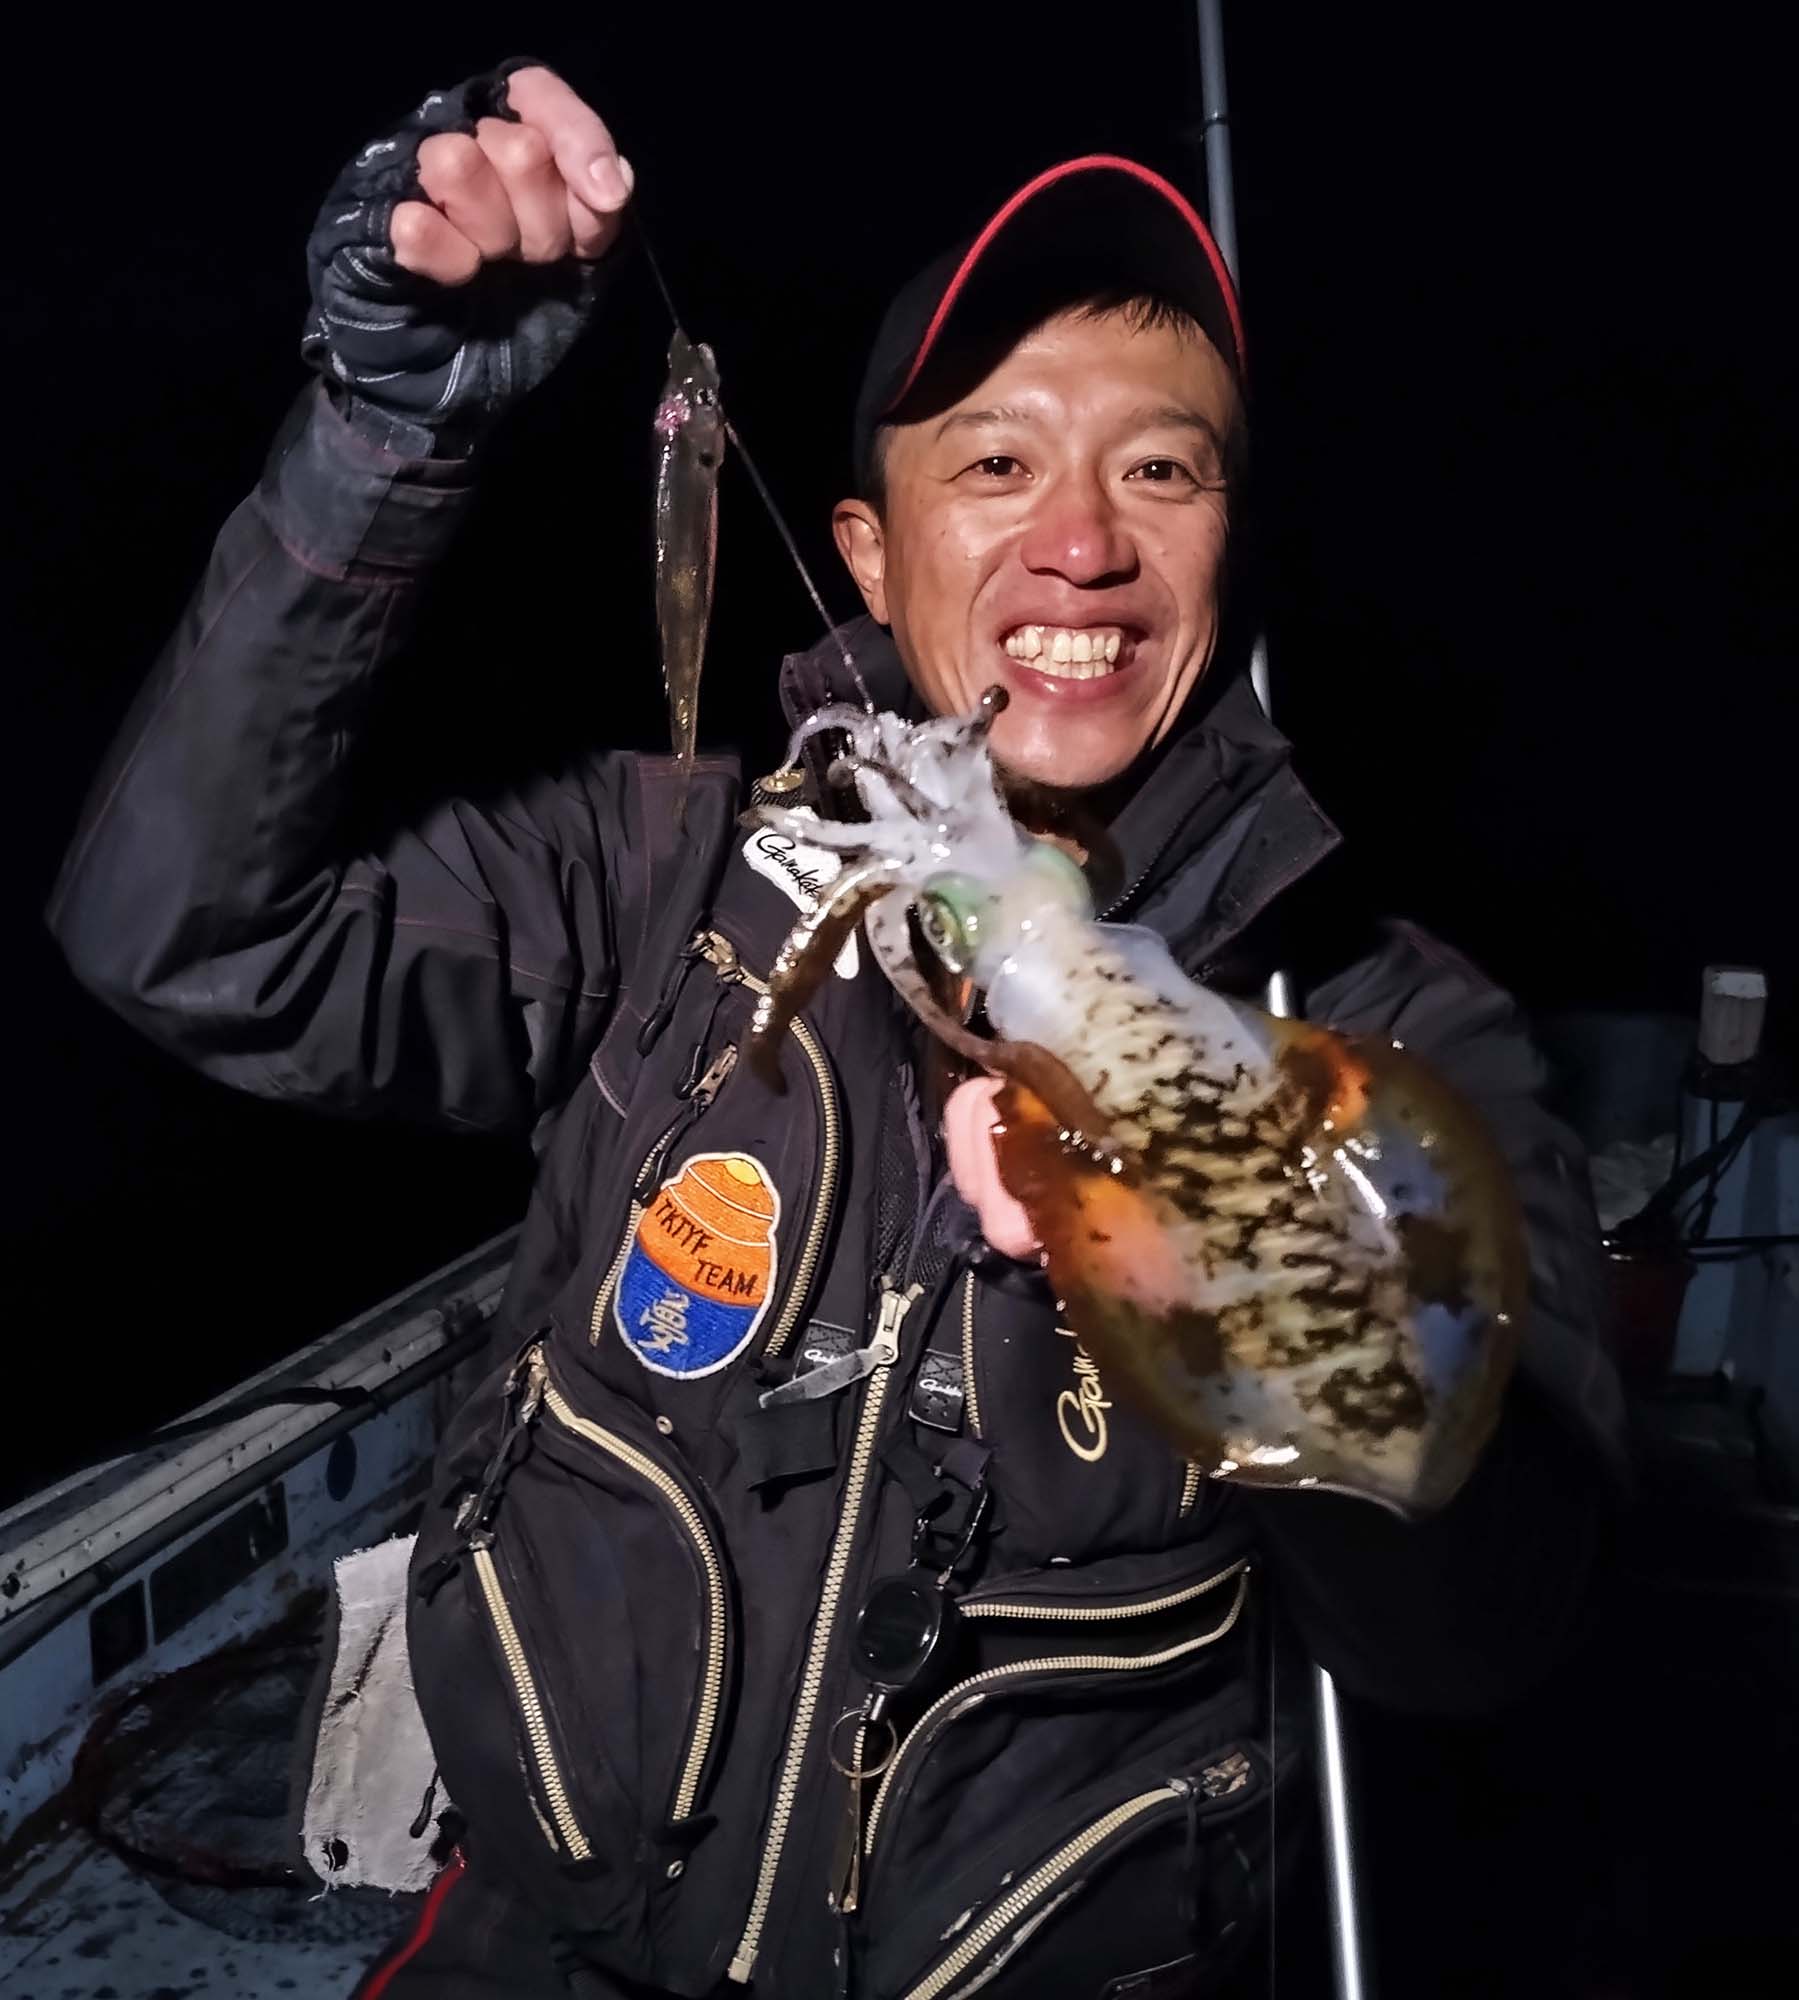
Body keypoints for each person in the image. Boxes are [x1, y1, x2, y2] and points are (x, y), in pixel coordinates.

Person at [46, 59, 1624, 2000]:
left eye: (1162, 467)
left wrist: (1269, 1302)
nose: (1081, 540)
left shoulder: (1389, 1020)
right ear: (870, 551)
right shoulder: (666, 872)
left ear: (1230, 541)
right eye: (997, 462)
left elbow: (1488, 1624)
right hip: (537, 1948)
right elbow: (182, 936)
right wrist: (380, 435)